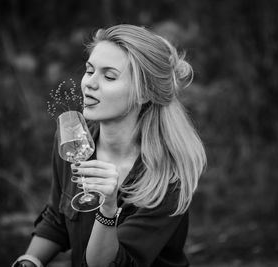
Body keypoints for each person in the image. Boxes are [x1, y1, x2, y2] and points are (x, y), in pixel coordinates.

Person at [12, 24, 206, 267]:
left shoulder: (168, 177)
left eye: (109, 76)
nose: (89, 83)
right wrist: (30, 260)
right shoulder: (72, 143)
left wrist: (108, 209)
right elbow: (58, 217)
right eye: (89, 70)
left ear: (144, 93)